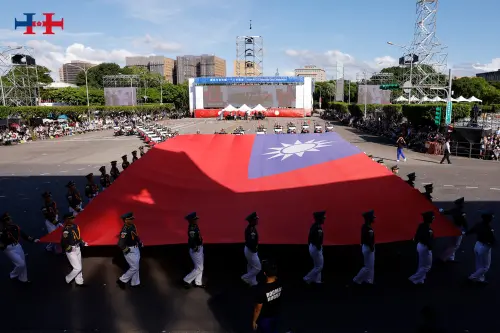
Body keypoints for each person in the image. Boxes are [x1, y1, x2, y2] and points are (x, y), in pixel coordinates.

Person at [0, 212, 39, 283]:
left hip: (17, 246)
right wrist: (2, 246)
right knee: (21, 264)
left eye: (10, 218)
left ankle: (23, 279)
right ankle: (13, 274)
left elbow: (23, 234)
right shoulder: (1, 231)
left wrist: (33, 240)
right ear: (4, 221)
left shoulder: (14, 227)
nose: (10, 220)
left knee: (23, 262)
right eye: (8, 219)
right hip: (8, 249)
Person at [252, 260, 282, 333]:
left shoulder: (262, 290)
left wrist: (254, 321)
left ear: (265, 273)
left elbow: (257, 309)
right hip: (276, 314)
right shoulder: (279, 282)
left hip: (265, 318)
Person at [466, 211, 495, 284]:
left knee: (479, 263)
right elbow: (492, 240)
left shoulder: (478, 224)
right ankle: (472, 277)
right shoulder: (489, 229)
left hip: (477, 244)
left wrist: (465, 233)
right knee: (485, 267)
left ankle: (479, 279)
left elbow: (471, 231)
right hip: (485, 247)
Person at [116, 212, 143, 289]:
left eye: (132, 219)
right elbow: (120, 244)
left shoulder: (132, 226)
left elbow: (135, 235)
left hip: (136, 248)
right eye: (130, 219)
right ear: (125, 220)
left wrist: (140, 242)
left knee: (136, 266)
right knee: (134, 267)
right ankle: (122, 280)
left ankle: (135, 283)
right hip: (130, 250)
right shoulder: (124, 231)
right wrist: (126, 250)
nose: (132, 220)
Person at [60, 213, 87, 286]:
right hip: (71, 250)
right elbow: (63, 242)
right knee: (77, 268)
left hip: (78, 247)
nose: (73, 219)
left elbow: (78, 236)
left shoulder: (75, 226)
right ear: (67, 220)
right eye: (71, 218)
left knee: (80, 266)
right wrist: (69, 248)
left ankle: (79, 281)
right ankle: (67, 279)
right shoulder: (66, 230)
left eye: (73, 218)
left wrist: (83, 243)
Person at [409, 211, 434, 285]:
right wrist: (430, 248)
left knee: (422, 264)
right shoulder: (429, 230)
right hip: (425, 247)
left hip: (419, 245)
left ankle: (420, 279)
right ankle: (414, 278)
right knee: (427, 266)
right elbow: (428, 241)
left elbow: (417, 235)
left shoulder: (421, 225)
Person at [440, 197, 468, 262]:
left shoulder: (454, 210)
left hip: (452, 227)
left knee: (452, 243)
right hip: (458, 228)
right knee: (456, 245)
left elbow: (445, 212)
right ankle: (444, 257)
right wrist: (465, 230)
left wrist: (441, 210)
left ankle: (451, 258)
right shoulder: (462, 213)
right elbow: (464, 222)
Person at [183, 212, 205, 289]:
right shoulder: (192, 229)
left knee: (200, 266)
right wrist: (195, 247)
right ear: (191, 220)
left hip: (200, 247)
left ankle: (198, 282)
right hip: (195, 249)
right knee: (199, 268)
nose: (197, 220)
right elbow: (192, 240)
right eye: (195, 219)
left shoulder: (195, 226)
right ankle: (186, 280)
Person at [353, 210, 376, 285]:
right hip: (368, 248)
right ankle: (357, 279)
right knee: (367, 267)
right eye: (372, 217)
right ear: (369, 219)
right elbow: (368, 240)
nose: (374, 219)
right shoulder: (368, 228)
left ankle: (368, 280)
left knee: (370, 266)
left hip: (366, 247)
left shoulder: (365, 226)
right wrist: (371, 247)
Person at [303, 211, 325, 285]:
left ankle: (317, 280)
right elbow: (318, 240)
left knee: (317, 266)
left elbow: (309, 238)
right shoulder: (318, 227)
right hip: (316, 247)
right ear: (319, 218)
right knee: (319, 266)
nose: (324, 218)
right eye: (323, 217)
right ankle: (307, 278)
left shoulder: (314, 226)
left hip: (312, 246)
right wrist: (319, 248)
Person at [241, 212, 261, 287]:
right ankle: (245, 278)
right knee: (258, 268)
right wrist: (254, 252)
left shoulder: (251, 228)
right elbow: (251, 243)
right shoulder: (251, 230)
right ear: (252, 221)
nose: (257, 221)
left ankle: (253, 282)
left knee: (251, 266)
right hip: (251, 251)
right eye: (256, 220)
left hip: (248, 250)